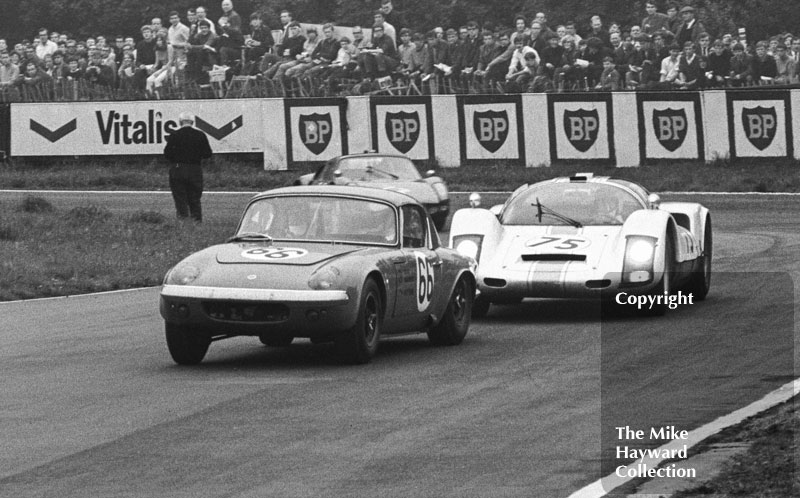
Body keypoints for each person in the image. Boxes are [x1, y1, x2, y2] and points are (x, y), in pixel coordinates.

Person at [163, 112, 212, 222]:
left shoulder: (174, 135)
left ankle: (183, 222)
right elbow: (207, 153)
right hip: (195, 168)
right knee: (195, 199)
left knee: (180, 199)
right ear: (192, 122)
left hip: (177, 168)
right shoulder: (200, 135)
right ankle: (197, 222)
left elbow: (167, 154)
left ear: (180, 122)